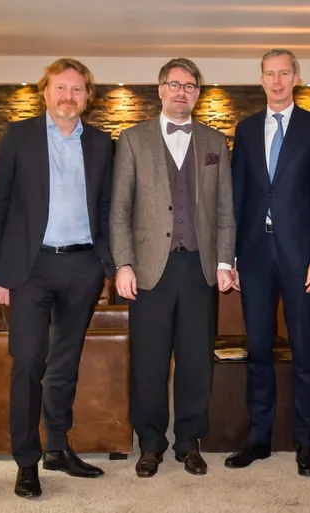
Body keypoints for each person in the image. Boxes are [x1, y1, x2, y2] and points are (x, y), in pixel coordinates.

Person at [0, 58, 115, 498]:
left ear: (87, 97)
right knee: (27, 362)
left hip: (82, 266)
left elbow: (106, 209)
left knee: (65, 361)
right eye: (60, 87)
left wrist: (108, 265)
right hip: (30, 268)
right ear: (45, 91)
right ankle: (27, 461)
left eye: (77, 89)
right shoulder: (18, 136)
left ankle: (57, 447)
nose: (68, 96)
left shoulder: (100, 142)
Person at [111, 57, 235, 478]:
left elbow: (225, 210)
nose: (182, 92)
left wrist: (224, 261)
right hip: (149, 269)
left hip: (199, 267)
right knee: (148, 360)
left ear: (198, 93)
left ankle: (188, 442)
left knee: (196, 359)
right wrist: (123, 263)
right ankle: (150, 443)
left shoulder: (215, 141)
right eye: (175, 84)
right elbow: (120, 208)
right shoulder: (132, 139)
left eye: (190, 86)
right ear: (161, 89)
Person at [225, 48, 310, 476]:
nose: (276, 81)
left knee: (304, 348)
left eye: (284, 73)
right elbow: (237, 194)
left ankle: (306, 441)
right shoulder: (246, 129)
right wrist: (232, 254)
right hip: (254, 254)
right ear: (261, 79)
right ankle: (260, 436)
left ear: (296, 78)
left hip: (299, 256)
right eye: (269, 74)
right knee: (258, 348)